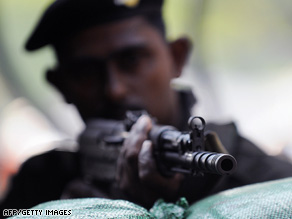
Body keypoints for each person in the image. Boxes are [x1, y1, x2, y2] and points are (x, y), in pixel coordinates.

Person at [1, 0, 292, 212]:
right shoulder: (42, 182)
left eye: (132, 60)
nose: (114, 90)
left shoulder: (259, 180)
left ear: (177, 58)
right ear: (60, 84)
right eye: (86, 72)